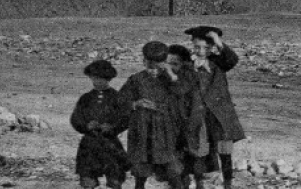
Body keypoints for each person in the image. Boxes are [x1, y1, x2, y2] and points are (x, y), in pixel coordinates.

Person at [185, 25, 247, 189]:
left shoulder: (219, 63)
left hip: (220, 116)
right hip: (199, 115)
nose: (200, 51)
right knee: (199, 150)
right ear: (192, 45)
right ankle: (199, 184)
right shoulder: (187, 66)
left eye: (206, 47)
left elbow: (232, 60)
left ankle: (228, 184)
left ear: (212, 48)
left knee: (225, 151)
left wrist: (219, 41)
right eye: (197, 47)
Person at [121, 42, 185, 189]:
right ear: (144, 62)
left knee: (172, 170)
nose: (153, 70)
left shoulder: (171, 80)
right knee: (140, 170)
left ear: (164, 64)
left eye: (157, 66)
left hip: (165, 132)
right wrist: (136, 104)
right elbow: (120, 101)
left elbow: (181, 102)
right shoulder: (136, 80)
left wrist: (159, 107)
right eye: (150, 66)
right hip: (142, 130)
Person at [70, 59, 131, 189]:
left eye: (101, 79)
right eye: (94, 78)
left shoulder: (117, 97)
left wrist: (113, 128)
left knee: (115, 179)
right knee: (87, 179)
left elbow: (126, 118)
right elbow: (75, 118)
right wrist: (86, 126)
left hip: (110, 143)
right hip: (89, 143)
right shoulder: (85, 98)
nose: (97, 82)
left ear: (109, 79)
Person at [166, 45, 211, 189]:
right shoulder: (175, 77)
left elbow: (181, 90)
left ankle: (198, 184)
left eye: (174, 63)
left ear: (184, 63)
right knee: (180, 162)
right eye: (168, 63)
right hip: (180, 124)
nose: (170, 67)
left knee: (194, 157)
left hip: (193, 123)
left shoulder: (189, 76)